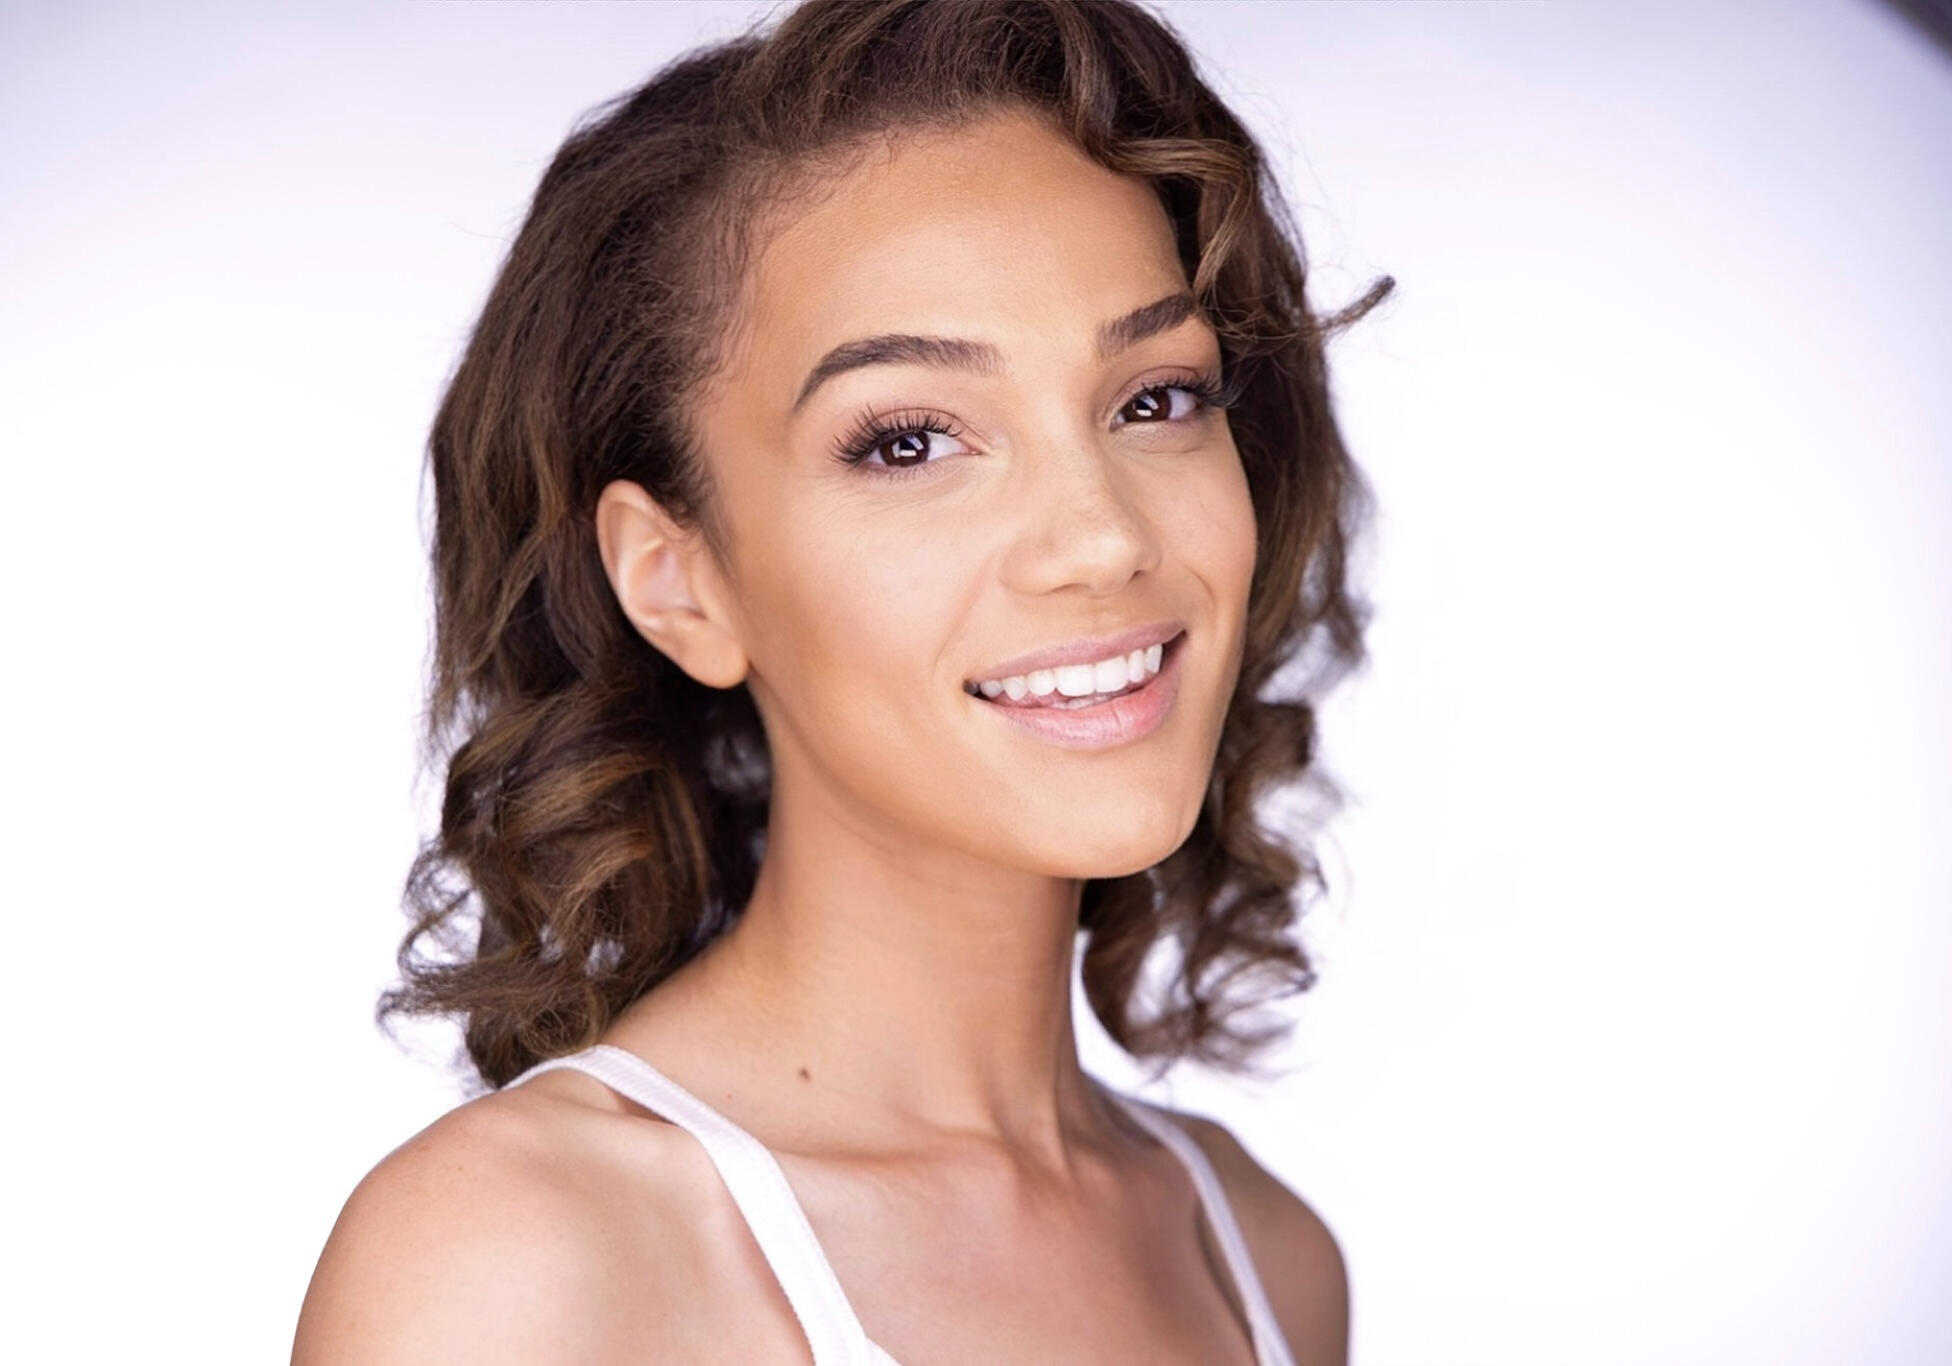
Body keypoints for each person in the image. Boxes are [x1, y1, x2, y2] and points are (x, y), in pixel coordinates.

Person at [293, 1, 1389, 1361]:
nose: (1103, 537)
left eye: (1154, 398)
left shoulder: (1264, 1255)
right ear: (680, 581)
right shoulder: (521, 1262)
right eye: (911, 441)